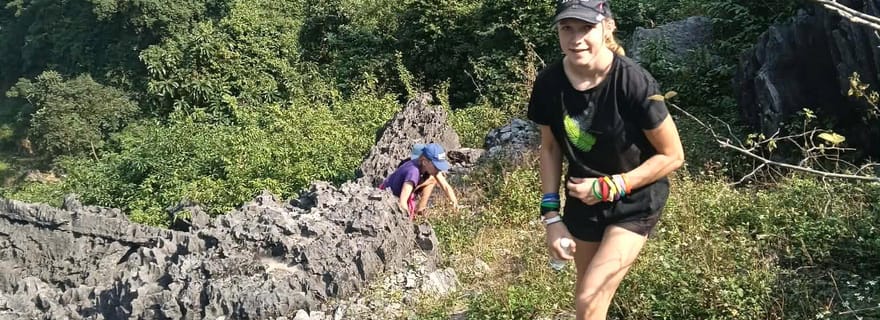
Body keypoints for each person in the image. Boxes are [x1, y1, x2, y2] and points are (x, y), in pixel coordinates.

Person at [527, 1, 685, 319]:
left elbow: (673, 155)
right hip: (583, 198)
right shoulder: (549, 83)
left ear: (607, 27)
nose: (575, 39)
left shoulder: (633, 82)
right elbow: (550, 148)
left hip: (635, 198)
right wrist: (551, 218)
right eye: (566, 28)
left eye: (586, 28)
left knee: (589, 299)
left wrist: (612, 186)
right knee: (590, 299)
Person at [380, 143, 460, 220]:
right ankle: (416, 215)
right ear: (424, 162)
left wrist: (455, 205)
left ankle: (420, 211)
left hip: (401, 194)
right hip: (387, 199)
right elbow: (402, 202)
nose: (438, 169)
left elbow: (446, 186)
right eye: (436, 166)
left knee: (432, 179)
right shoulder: (413, 172)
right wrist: (407, 224)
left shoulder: (427, 167)